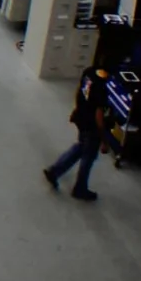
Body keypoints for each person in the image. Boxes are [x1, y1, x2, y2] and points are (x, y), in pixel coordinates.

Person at [45, 65, 111, 201]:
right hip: (91, 126)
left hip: (81, 118)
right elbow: (99, 117)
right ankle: (80, 188)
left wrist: (77, 109)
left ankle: (55, 170)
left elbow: (79, 92)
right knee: (88, 157)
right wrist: (104, 140)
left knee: (81, 147)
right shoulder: (101, 87)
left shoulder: (89, 72)